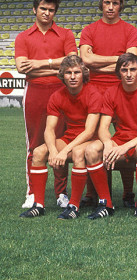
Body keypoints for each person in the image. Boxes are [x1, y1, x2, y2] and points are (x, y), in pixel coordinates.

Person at [15, 0, 77, 209]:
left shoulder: (66, 34)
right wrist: (54, 66)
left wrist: (40, 64)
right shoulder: (23, 36)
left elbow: (71, 63)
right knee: (34, 142)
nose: (47, 13)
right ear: (34, 9)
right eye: (43, 9)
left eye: (51, 10)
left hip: (61, 92)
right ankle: (32, 192)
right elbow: (22, 67)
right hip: (35, 92)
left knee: (60, 142)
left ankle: (61, 193)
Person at [19, 56, 102, 219]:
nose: (72, 76)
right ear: (62, 74)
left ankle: (74, 206)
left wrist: (64, 152)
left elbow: (89, 131)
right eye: (68, 72)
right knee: (38, 152)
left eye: (77, 72)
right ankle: (39, 205)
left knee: (78, 153)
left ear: (83, 74)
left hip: (91, 140)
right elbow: (49, 129)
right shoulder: (57, 96)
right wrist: (52, 150)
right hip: (69, 137)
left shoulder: (93, 93)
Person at [79, 0, 137, 207]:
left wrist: (99, 61)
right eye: (107, 2)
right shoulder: (89, 30)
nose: (111, 7)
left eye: (115, 3)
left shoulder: (130, 30)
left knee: (125, 139)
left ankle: (127, 193)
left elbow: (131, 60)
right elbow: (86, 60)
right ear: (101, 4)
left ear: (121, 5)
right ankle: (92, 192)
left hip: (123, 92)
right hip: (94, 92)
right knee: (94, 141)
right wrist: (117, 60)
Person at [85, 53, 137, 219]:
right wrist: (108, 143)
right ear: (118, 72)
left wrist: (126, 147)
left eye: (133, 69)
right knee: (91, 150)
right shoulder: (111, 92)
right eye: (124, 70)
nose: (129, 73)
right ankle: (106, 204)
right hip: (120, 139)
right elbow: (103, 127)